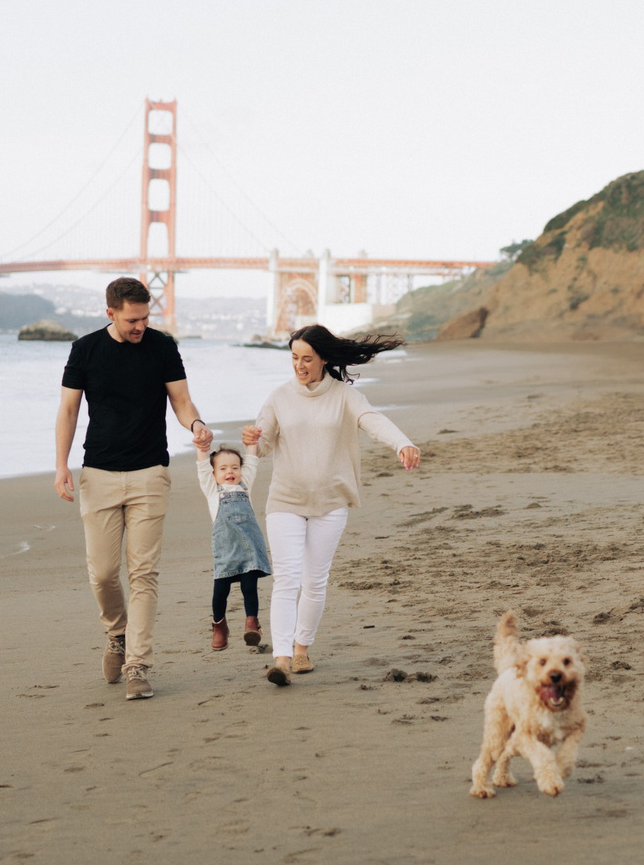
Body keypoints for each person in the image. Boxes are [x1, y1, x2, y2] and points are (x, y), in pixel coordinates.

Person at [55, 276, 213, 701]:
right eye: (132, 320)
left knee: (143, 574)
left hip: (150, 474)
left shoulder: (162, 346)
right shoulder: (85, 349)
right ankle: (117, 633)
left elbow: (181, 400)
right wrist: (61, 465)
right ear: (110, 313)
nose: (140, 326)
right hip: (99, 474)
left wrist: (196, 424)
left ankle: (138, 664)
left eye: (145, 318)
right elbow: (68, 410)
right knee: (103, 573)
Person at [241, 325, 419, 688]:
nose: (299, 365)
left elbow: (372, 421)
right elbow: (262, 445)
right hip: (286, 500)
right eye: (294, 358)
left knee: (314, 580)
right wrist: (251, 440)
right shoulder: (279, 397)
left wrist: (402, 443)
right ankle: (281, 659)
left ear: (324, 359)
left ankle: (302, 648)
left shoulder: (344, 396)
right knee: (287, 578)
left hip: (331, 501)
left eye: (307, 359)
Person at [191, 436, 270, 652]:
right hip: (226, 549)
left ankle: (251, 623)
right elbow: (202, 468)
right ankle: (219, 626)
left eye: (235, 467)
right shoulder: (212, 491)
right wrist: (201, 448)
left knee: (249, 586)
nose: (230, 472)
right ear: (214, 474)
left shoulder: (245, 487)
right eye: (223, 468)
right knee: (221, 591)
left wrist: (252, 443)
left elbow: (252, 462)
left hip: (249, 547)